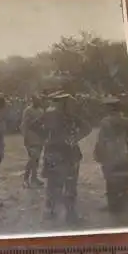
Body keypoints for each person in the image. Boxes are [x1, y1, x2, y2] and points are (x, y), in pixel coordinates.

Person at [41, 91, 92, 222]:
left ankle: (51, 211)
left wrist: (46, 139)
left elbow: (34, 127)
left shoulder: (48, 115)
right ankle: (70, 214)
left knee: (53, 183)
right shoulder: (69, 116)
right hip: (67, 153)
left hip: (53, 152)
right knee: (69, 183)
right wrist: (75, 138)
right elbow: (87, 128)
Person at [93, 97, 128, 213]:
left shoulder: (105, 122)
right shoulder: (125, 120)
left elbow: (101, 140)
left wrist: (98, 152)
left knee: (110, 178)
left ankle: (113, 205)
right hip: (123, 151)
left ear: (109, 109)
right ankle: (124, 201)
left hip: (110, 152)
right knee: (123, 175)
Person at [20, 94, 45, 187]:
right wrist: (25, 137)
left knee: (37, 159)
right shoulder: (28, 111)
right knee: (32, 159)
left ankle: (34, 178)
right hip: (31, 137)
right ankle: (26, 179)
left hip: (39, 137)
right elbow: (25, 124)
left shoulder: (41, 111)